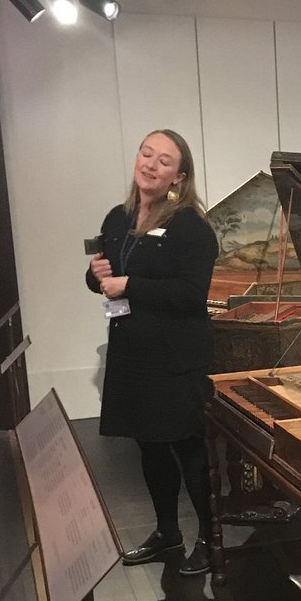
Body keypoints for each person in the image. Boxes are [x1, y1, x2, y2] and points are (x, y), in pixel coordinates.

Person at [86, 129, 219, 576]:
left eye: (164, 161)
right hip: (134, 352)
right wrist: (97, 275)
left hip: (177, 358)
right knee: (150, 447)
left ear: (179, 176)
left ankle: (210, 539)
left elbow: (190, 294)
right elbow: (105, 281)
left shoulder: (190, 226)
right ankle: (167, 532)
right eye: (147, 154)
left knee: (188, 448)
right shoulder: (118, 217)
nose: (151, 164)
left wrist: (130, 286)